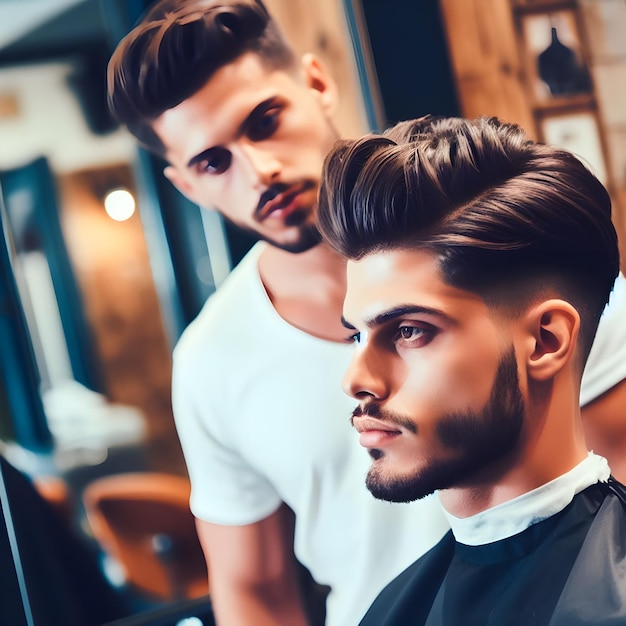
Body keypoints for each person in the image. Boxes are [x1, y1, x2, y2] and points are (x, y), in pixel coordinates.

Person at [106, 2, 450, 625]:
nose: (258, 170)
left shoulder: (484, 240)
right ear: (188, 186)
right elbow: (254, 590)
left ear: (317, 84)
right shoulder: (212, 359)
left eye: (264, 121)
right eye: (214, 161)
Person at [317, 114, 626, 625]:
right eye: (357, 334)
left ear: (545, 341)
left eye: (409, 331)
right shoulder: (392, 608)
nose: (357, 379)